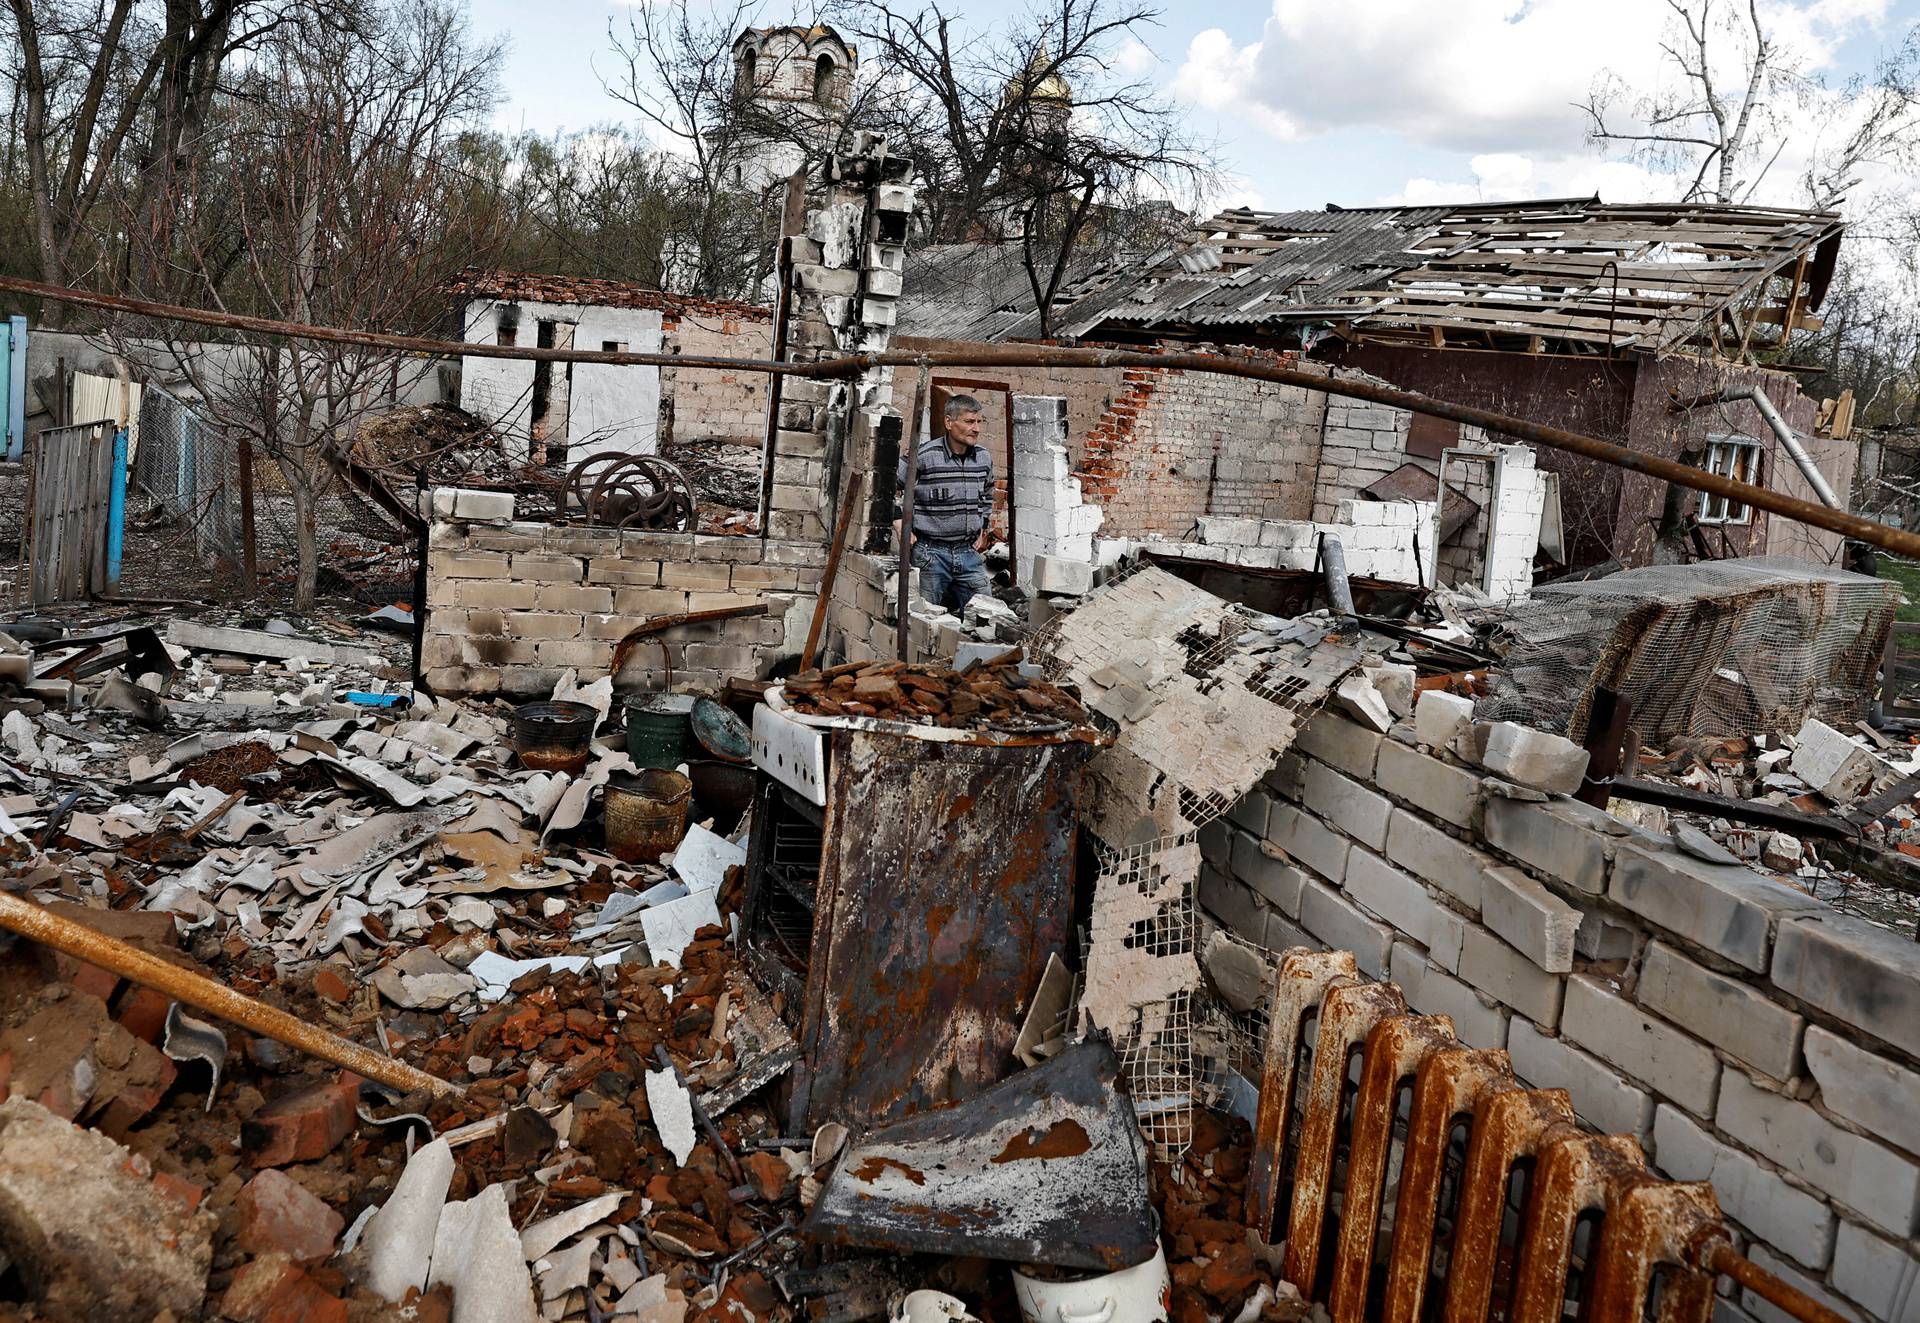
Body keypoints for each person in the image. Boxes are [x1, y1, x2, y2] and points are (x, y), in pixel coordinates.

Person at [896, 393, 994, 614]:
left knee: (990, 616)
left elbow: (988, 492)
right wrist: (898, 520)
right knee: (926, 620)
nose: (976, 428)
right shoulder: (925, 455)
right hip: (931, 554)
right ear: (949, 422)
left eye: (979, 422)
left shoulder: (983, 458)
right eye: (969, 421)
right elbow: (887, 482)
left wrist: (983, 524)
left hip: (968, 554)